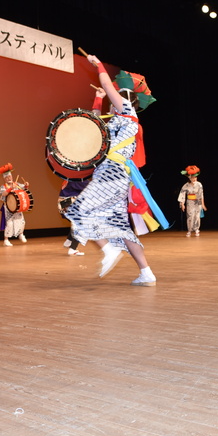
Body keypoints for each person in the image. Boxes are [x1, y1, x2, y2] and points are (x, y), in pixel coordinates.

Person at [64, 54, 157, 286]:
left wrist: (99, 66)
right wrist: (97, 99)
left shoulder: (126, 112)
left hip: (111, 172)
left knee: (77, 212)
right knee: (120, 227)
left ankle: (109, 250)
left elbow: (106, 84)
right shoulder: (117, 121)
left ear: (125, 100)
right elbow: (94, 123)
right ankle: (146, 272)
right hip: (115, 174)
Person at [0, 163, 29, 246]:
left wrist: (26, 185)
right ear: (4, 179)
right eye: (6, 177)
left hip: (17, 207)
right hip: (8, 207)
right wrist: (11, 188)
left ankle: (21, 234)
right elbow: (3, 194)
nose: (8, 178)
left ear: (12, 177)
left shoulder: (17, 184)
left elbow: (24, 189)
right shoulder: (3, 186)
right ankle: (6, 240)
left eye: (9, 177)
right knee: (9, 223)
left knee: (22, 221)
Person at [58, 179, 89, 255]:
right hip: (70, 202)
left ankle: (69, 241)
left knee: (76, 224)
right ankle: (73, 249)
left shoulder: (70, 178)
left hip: (63, 203)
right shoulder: (79, 178)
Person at [178, 165, 208, 237]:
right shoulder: (186, 185)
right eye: (193, 177)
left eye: (195, 177)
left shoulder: (199, 184)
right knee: (190, 216)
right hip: (190, 202)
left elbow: (201, 195)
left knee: (197, 216)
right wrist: (182, 204)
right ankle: (189, 230)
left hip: (198, 202)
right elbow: (182, 194)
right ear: (189, 178)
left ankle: (197, 229)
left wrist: (203, 204)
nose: (194, 179)